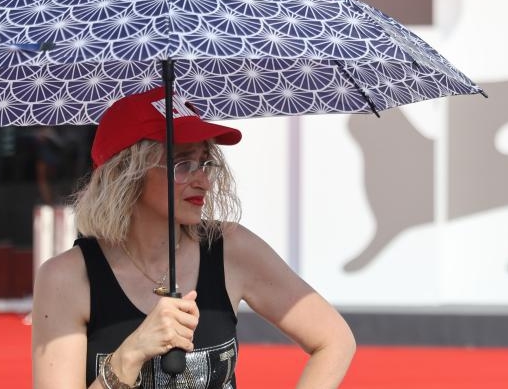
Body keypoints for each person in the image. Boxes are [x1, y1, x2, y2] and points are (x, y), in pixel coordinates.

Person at [32, 87, 355, 389]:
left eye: (205, 163)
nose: (204, 181)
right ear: (125, 173)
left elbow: (334, 340)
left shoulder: (231, 249)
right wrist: (130, 355)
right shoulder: (67, 278)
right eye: (183, 163)